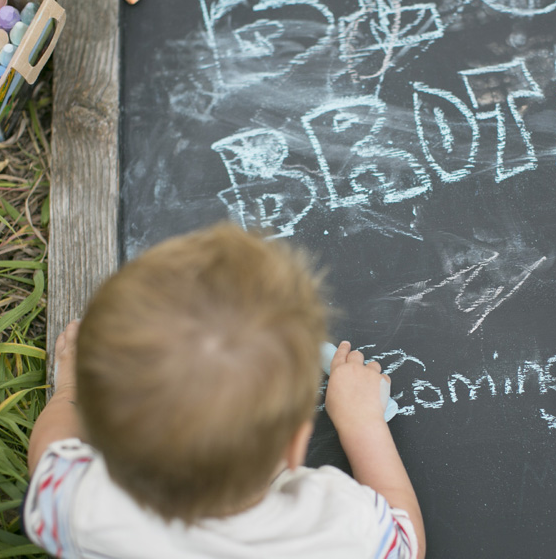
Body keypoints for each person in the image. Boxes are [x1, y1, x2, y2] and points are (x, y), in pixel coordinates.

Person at [24, 223, 425, 558]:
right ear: (294, 446)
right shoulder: (337, 528)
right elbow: (405, 544)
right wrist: (362, 423)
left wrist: (70, 387)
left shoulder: (83, 505)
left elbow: (47, 452)